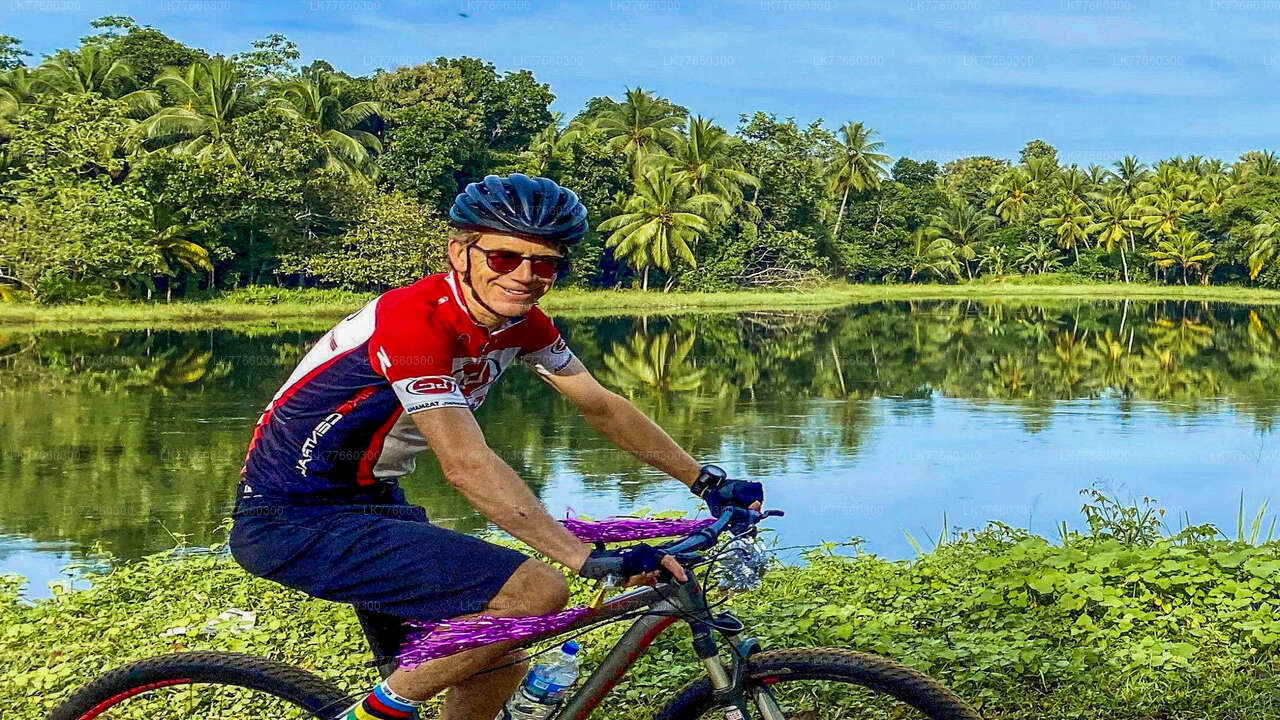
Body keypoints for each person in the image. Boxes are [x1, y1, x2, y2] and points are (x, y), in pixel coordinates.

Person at [228, 173, 764, 720]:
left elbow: (600, 405)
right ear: (459, 252)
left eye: (546, 263)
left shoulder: (521, 325)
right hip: (292, 517)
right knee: (537, 590)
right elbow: (465, 464)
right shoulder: (413, 321)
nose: (526, 276)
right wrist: (581, 557)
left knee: (498, 661)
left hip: (371, 502)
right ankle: (373, 715)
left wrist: (706, 480)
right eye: (505, 257)